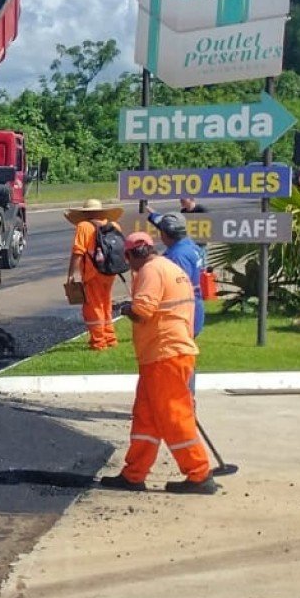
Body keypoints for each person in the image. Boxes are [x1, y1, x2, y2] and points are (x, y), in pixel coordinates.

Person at [101, 232, 215, 493]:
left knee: (174, 416)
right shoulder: (169, 268)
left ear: (130, 256)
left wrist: (126, 308)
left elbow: (143, 311)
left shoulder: (151, 272)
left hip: (166, 355)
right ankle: (134, 474)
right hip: (163, 355)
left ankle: (199, 474)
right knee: (146, 419)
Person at [65, 197, 124, 350]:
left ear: (85, 214)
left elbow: (78, 252)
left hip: (93, 273)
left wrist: (72, 274)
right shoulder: (114, 225)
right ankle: (110, 337)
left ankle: (99, 342)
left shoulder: (84, 226)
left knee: (93, 307)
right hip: (110, 271)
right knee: (106, 303)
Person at [153, 208, 206, 336]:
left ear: (165, 234)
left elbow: (177, 288)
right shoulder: (190, 245)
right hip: (194, 306)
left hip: (182, 313)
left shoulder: (177, 256)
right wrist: (152, 215)